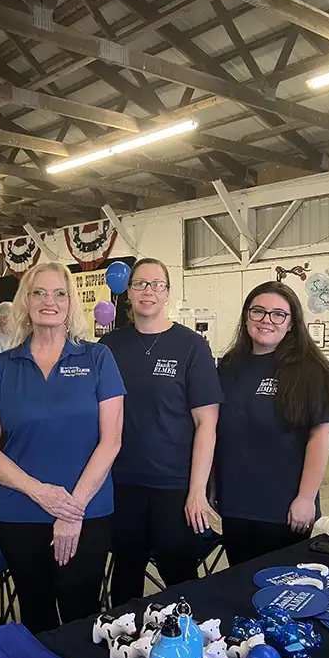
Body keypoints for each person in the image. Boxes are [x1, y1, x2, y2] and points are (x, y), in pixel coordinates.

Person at [0, 262, 125, 635]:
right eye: (39, 292)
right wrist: (42, 493)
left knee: (81, 614)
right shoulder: (3, 366)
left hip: (86, 510)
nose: (49, 301)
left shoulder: (97, 359)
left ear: (71, 302)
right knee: (36, 612)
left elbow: (112, 441)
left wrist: (71, 510)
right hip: (19, 512)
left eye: (60, 293)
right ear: (25, 301)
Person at [99, 258, 223, 606]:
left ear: (168, 292)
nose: (148, 291)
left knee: (179, 577)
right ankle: (121, 647)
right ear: (127, 292)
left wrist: (197, 491)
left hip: (173, 486)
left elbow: (207, 423)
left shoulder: (191, 346)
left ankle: (185, 651)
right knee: (125, 577)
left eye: (156, 284)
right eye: (139, 284)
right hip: (121, 483)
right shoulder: (109, 348)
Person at [214, 281, 329, 566]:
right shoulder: (228, 366)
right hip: (235, 506)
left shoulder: (310, 370)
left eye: (277, 314)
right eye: (258, 311)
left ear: (292, 323)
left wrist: (306, 498)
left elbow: (320, 435)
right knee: (242, 586)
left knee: (284, 592)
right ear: (246, 316)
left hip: (284, 510)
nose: (266, 320)